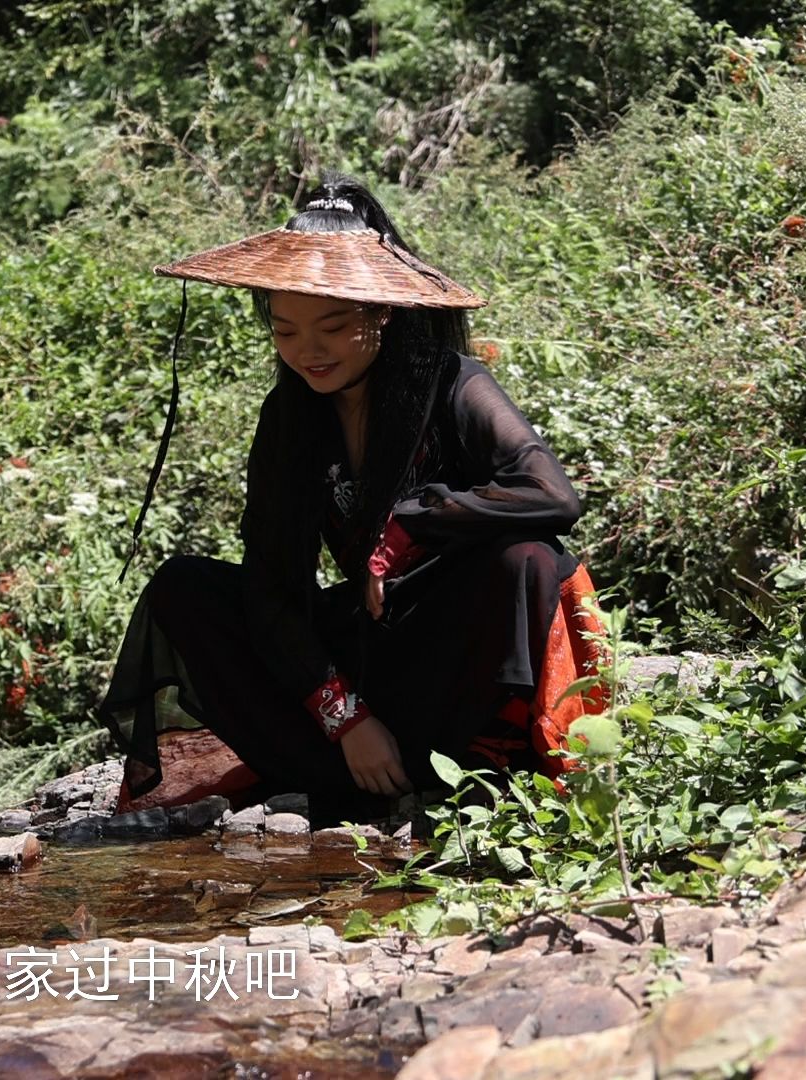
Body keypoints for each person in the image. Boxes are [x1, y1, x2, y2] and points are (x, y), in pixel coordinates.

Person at [96, 173, 608, 827]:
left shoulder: (453, 384)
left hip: (455, 651)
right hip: (362, 663)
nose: (308, 352)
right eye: (285, 333)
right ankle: (347, 768)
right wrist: (345, 715)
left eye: (333, 328)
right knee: (185, 589)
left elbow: (553, 496)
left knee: (530, 558)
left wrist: (407, 524)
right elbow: (272, 590)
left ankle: (493, 765)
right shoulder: (290, 416)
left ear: (382, 311)